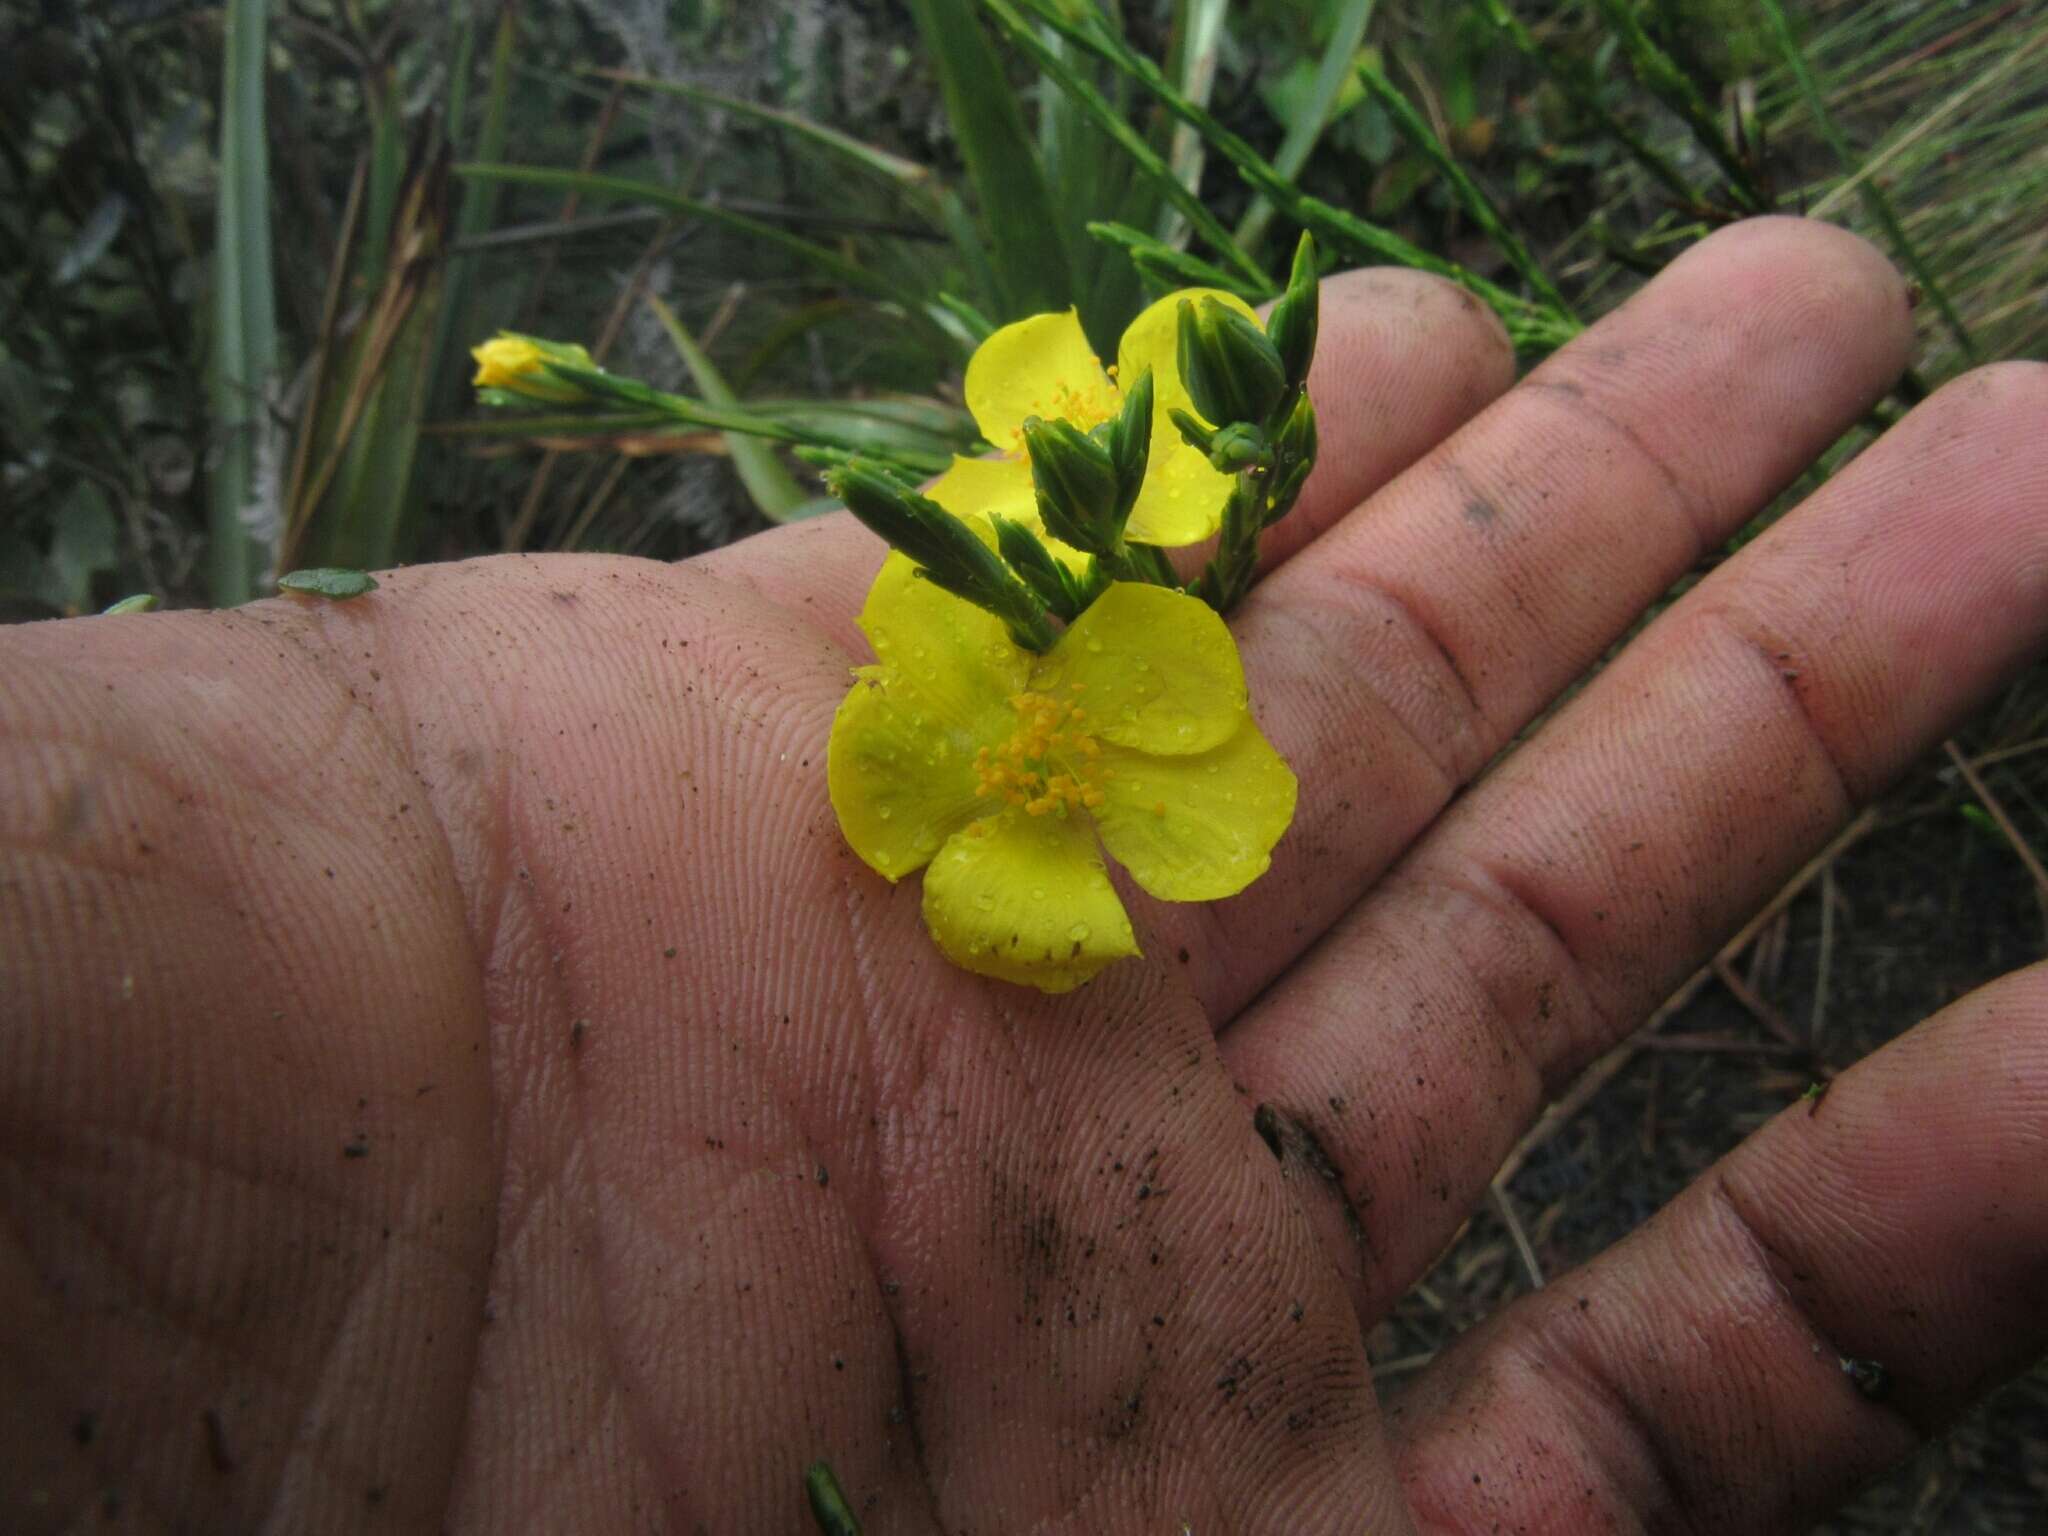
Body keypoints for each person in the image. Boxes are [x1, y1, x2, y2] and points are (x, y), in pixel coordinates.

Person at [3, 217, 2043, 1533]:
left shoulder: (1131, 643)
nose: (1045, 741)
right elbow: (953, 728)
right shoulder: (970, 663)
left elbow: (1187, 744)